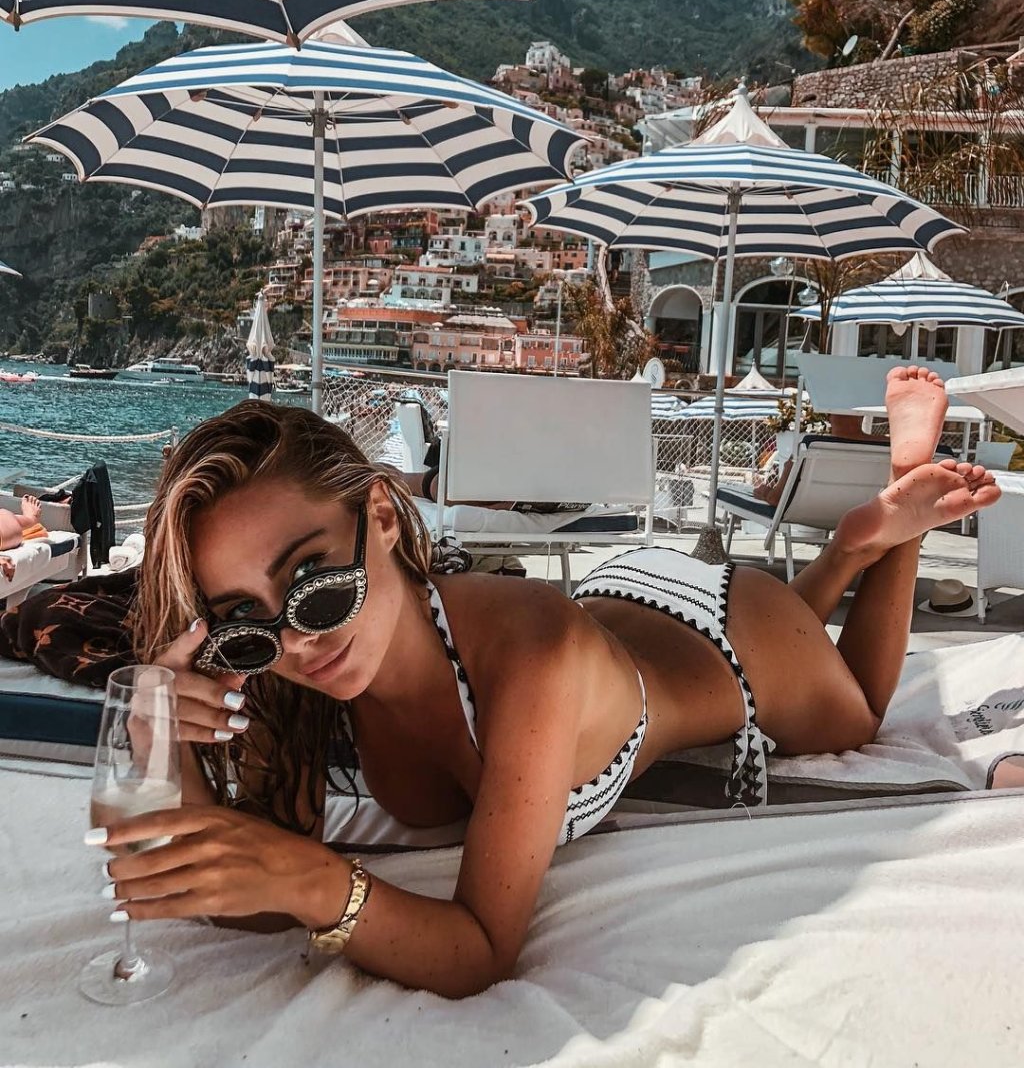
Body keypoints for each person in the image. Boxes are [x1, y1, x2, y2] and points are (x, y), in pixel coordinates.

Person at [89, 367, 1000, 999]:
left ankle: (889, 518)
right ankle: (846, 559)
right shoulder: (292, 669)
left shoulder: (531, 657)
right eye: (245, 621)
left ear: (381, 515)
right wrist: (157, 742)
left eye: (315, 581)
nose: (295, 636)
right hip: (615, 601)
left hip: (730, 634)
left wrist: (322, 881)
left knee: (856, 713)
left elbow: (480, 948)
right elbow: (242, 890)